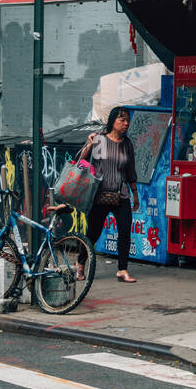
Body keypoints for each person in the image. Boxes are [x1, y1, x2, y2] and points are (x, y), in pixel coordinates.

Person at [80, 106, 139, 283]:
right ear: (112, 121)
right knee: (93, 233)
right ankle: (80, 264)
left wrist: (135, 194)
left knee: (125, 232)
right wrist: (90, 144)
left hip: (121, 195)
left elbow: (130, 171)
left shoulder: (127, 144)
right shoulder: (101, 141)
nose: (126, 123)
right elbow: (84, 161)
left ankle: (122, 270)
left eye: (127, 120)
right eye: (122, 120)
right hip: (100, 195)